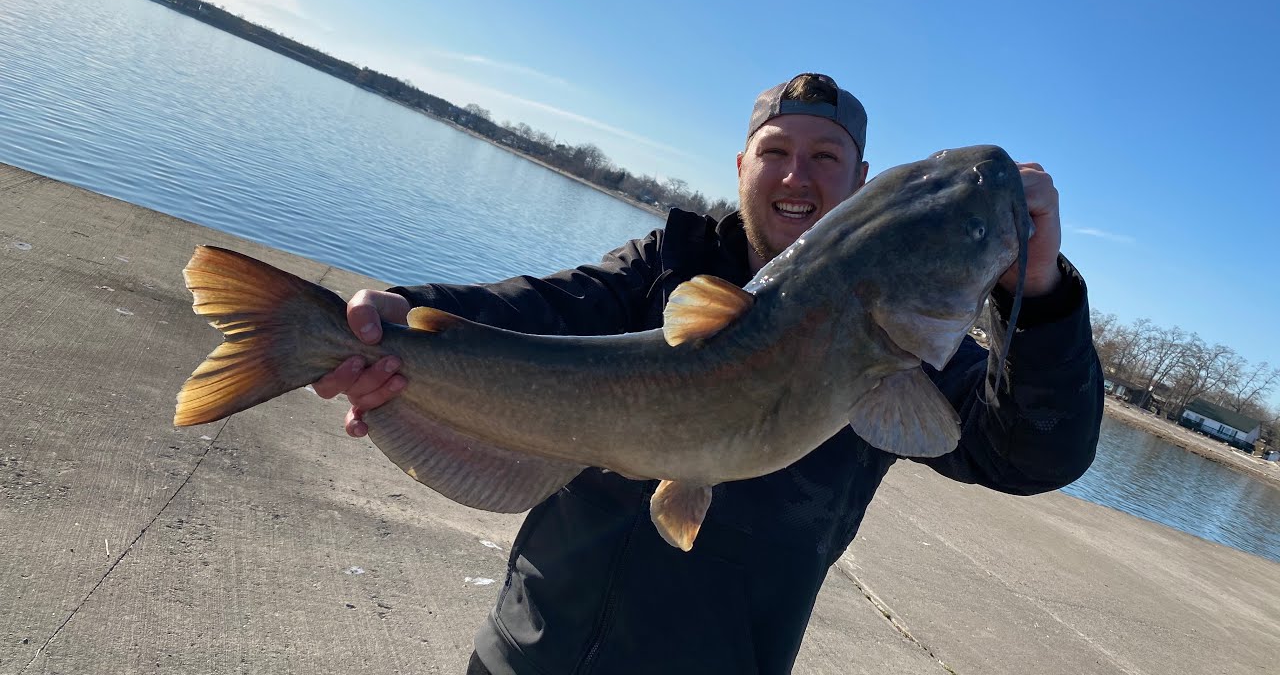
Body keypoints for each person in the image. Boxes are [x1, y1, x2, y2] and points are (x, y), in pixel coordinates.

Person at [312, 73, 1102, 675]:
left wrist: (1040, 293)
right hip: (529, 650)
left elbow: (1032, 452)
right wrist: (398, 319)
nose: (798, 176)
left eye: (825, 158)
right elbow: (543, 308)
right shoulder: (666, 267)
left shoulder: (908, 348)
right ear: (742, 166)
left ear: (860, 183)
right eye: (777, 153)